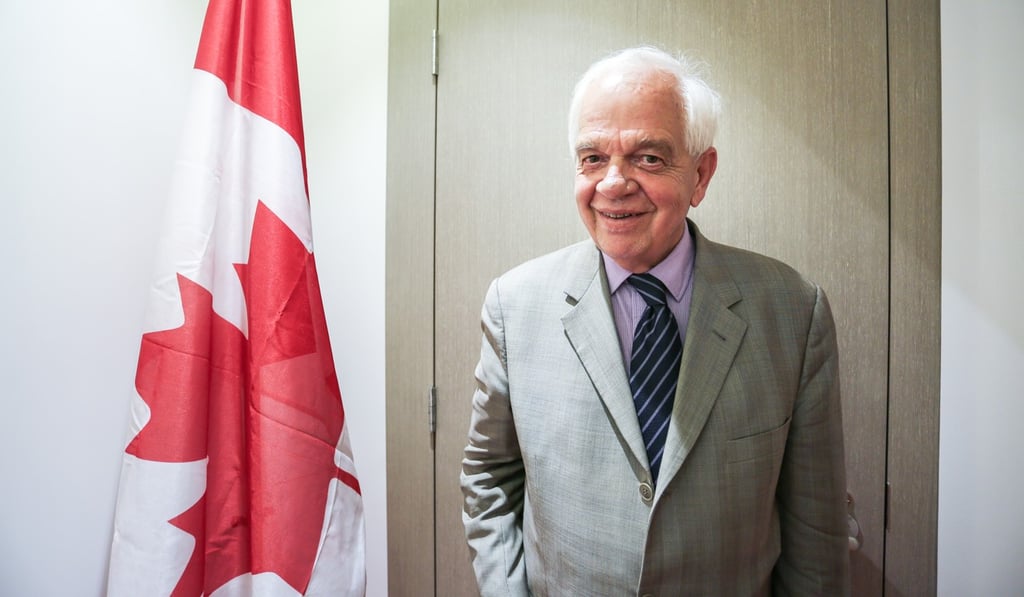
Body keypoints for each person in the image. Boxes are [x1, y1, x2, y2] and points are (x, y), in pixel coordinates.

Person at [460, 46, 849, 596]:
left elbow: (817, 524)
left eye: (648, 158)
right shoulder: (514, 306)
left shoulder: (791, 312)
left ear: (700, 174)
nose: (613, 183)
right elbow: (488, 480)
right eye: (592, 158)